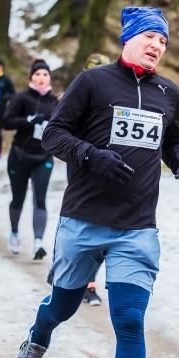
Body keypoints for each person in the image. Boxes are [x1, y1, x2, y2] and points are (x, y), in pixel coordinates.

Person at [14, 7, 179, 358]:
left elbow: (169, 139)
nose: (158, 45)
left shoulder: (168, 92)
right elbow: (53, 137)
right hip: (82, 220)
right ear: (128, 39)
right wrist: (92, 155)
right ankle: (38, 338)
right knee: (62, 305)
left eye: (164, 41)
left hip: (136, 228)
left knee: (130, 321)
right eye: (150, 37)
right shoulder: (93, 83)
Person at [1, 59, 58, 260]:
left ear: (49, 78)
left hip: (43, 156)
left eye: (45, 75)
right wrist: (27, 121)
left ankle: (38, 243)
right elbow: (5, 122)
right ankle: (14, 231)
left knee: (40, 199)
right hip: (19, 155)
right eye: (37, 74)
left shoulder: (55, 103)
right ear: (31, 77)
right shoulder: (21, 98)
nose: (41, 78)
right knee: (18, 198)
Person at [76, 53, 111, 306]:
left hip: (107, 166)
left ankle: (89, 284)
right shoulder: (78, 92)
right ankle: (63, 267)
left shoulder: (117, 95)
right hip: (80, 165)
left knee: (102, 222)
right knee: (78, 219)